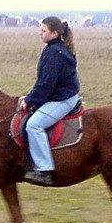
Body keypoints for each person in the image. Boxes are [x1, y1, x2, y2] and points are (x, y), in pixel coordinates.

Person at [20, 16, 80, 185]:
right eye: (41, 30)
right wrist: (31, 96)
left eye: (43, 30)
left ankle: (44, 170)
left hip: (62, 99)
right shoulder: (53, 48)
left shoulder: (55, 53)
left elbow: (47, 84)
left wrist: (32, 101)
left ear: (54, 33)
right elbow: (43, 81)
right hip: (59, 95)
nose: (40, 33)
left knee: (34, 125)